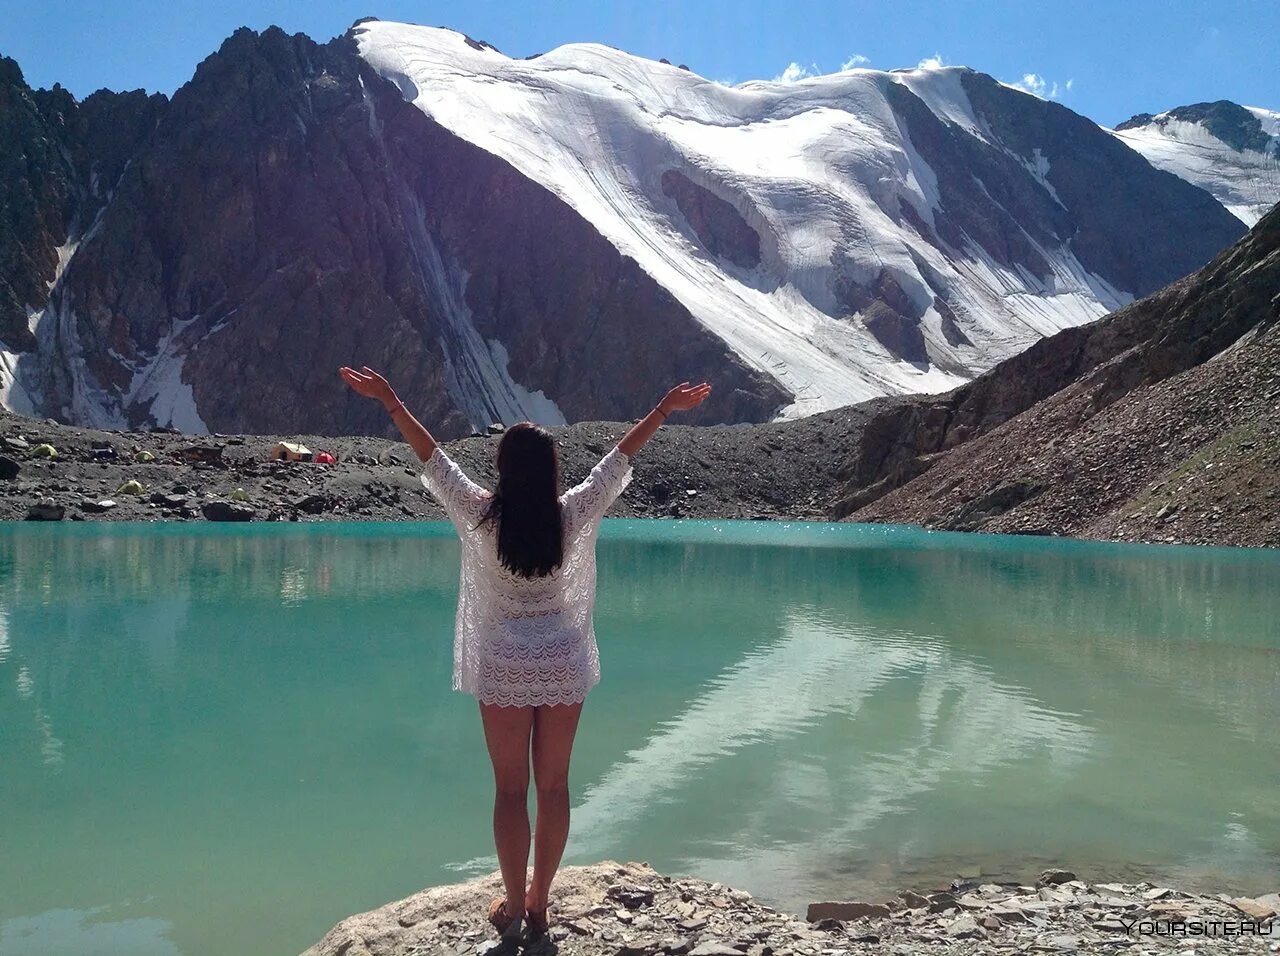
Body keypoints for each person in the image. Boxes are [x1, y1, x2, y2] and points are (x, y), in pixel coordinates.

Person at [339, 366, 711, 948]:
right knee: (555, 787)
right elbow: (615, 461)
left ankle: (513, 903)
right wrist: (664, 408)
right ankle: (540, 904)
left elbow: (432, 457)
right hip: (562, 663)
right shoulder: (572, 513)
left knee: (509, 791)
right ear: (551, 472)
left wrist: (389, 398)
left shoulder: (481, 513)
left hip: (503, 666)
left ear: (504, 470)